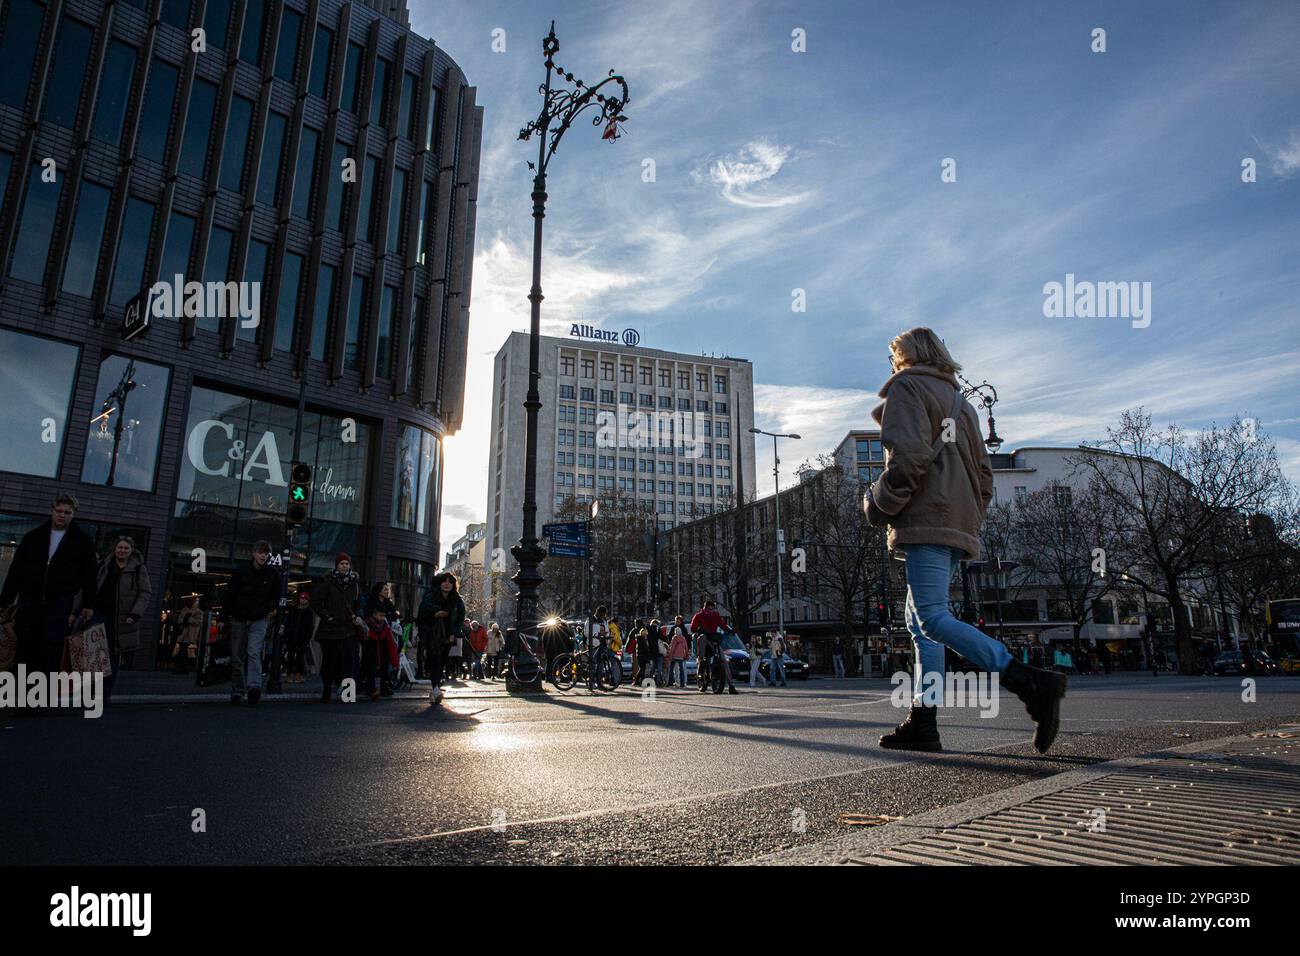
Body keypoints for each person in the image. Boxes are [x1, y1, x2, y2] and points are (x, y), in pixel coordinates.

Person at [866, 328, 1066, 753]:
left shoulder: (908, 388)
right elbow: (985, 477)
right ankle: (924, 720)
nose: (892, 363)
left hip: (925, 519)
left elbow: (909, 459)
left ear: (905, 355)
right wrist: (968, 517)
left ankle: (1029, 682)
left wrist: (877, 503)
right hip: (956, 523)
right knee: (921, 626)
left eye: (893, 355)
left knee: (933, 618)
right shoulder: (966, 406)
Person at [0, 493, 98, 690]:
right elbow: (16, 571)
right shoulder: (33, 537)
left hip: (59, 601)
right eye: (59, 511)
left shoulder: (82, 541)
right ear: (52, 512)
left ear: (73, 514)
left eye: (67, 512)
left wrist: (88, 604)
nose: (62, 515)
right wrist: (5, 600)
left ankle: (40, 697)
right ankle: (22, 693)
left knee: (49, 647)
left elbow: (89, 575)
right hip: (30, 599)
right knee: (25, 646)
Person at [94, 536, 152, 701]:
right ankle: (92, 692)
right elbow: (92, 587)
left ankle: (104, 695)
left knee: (112, 655)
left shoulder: (138, 569)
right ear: (115, 549)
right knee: (96, 653)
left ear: (131, 550)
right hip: (99, 612)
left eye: (126, 548)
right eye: (120, 547)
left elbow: (145, 593)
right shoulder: (105, 566)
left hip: (120, 617)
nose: (122, 550)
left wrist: (135, 613)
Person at [225, 540, 281, 706]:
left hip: (258, 618)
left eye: (266, 553)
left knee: (254, 652)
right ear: (254, 553)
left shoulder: (272, 574)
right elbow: (230, 594)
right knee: (237, 656)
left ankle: (254, 687)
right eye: (260, 552)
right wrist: (224, 616)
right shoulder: (241, 571)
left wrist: (266, 609)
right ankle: (237, 690)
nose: (263, 555)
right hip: (239, 617)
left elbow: (276, 596)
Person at [311, 553, 365, 703]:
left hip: (349, 626)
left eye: (347, 564)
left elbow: (360, 602)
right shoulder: (328, 582)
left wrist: (358, 615)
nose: (344, 566)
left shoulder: (354, 583)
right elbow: (315, 601)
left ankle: (348, 694)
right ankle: (327, 689)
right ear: (336, 565)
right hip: (331, 627)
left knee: (350, 660)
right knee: (329, 660)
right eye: (341, 563)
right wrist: (328, 617)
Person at [416, 572, 465, 704]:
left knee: (442, 661)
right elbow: (422, 614)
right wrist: (435, 614)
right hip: (432, 634)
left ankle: (435, 687)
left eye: (450, 581)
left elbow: (461, 617)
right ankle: (436, 689)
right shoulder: (430, 597)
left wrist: (454, 633)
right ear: (439, 583)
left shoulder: (457, 600)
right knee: (435, 660)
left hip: (448, 635)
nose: (447, 584)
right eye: (444, 581)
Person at [690, 599, 737, 694]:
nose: (710, 610)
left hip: (713, 639)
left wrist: (729, 630)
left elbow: (722, 625)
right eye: (708, 608)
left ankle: (731, 686)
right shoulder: (699, 616)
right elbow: (692, 628)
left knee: (724, 660)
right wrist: (698, 629)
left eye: (712, 608)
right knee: (702, 637)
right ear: (705, 608)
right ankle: (701, 659)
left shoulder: (716, 615)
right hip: (704, 638)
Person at [360, 590, 394, 701]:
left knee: (380, 667)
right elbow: (365, 635)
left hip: (380, 648)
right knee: (370, 668)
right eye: (380, 615)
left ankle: (379, 687)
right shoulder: (369, 623)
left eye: (384, 616)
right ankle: (371, 688)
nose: (382, 618)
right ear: (374, 614)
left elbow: (390, 641)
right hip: (371, 648)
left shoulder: (384, 625)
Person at [282, 590, 314, 684]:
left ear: (307, 600)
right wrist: (287, 633)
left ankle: (298, 676)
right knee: (290, 657)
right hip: (292, 637)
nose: (302, 599)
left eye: (304, 598)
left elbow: (310, 627)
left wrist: (307, 638)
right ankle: (290, 675)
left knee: (299, 658)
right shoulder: (294, 610)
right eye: (301, 598)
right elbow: (287, 622)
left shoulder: (308, 612)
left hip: (301, 638)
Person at [173, 595, 203, 675]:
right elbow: (179, 620)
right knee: (183, 650)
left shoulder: (198, 612)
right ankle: (183, 669)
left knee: (182, 650)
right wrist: (184, 620)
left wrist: (188, 620)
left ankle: (180, 668)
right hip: (183, 633)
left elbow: (199, 622)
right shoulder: (184, 610)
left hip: (190, 634)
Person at [586, 605, 612, 691]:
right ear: (597, 613)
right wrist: (597, 634)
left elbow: (607, 630)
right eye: (601, 614)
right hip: (593, 644)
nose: (603, 616)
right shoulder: (591, 619)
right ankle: (591, 682)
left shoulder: (604, 621)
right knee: (593, 664)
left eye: (604, 615)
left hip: (603, 644)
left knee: (601, 665)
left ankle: (600, 683)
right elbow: (586, 632)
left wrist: (607, 635)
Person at [666, 615, 689, 688]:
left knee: (673, 669)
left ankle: (672, 682)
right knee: (682, 669)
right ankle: (682, 683)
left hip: (674, 655)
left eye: (678, 621)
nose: (677, 622)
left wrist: (670, 654)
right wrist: (686, 654)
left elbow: (672, 646)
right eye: (676, 621)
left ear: (681, 621)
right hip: (681, 655)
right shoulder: (683, 635)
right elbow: (686, 646)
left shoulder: (674, 636)